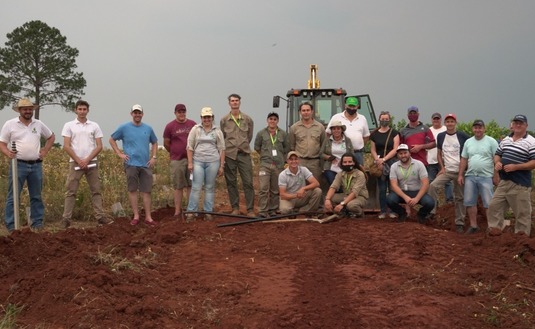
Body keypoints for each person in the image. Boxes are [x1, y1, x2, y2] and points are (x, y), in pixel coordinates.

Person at [0, 98, 55, 232]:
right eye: (25, 109)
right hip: (18, 164)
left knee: (36, 195)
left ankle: (37, 223)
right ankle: (11, 225)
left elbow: (51, 136)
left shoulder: (38, 124)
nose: (28, 111)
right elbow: (2, 143)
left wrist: (45, 150)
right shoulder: (10, 124)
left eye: (30, 109)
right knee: (13, 195)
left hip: (36, 165)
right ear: (19, 110)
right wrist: (8, 153)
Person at [61, 100, 112, 228]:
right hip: (75, 163)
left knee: (96, 190)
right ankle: (66, 219)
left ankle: (100, 217)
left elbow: (99, 146)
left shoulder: (94, 126)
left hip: (92, 162)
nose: (82, 111)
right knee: (71, 191)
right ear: (76, 110)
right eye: (80, 109)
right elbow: (66, 146)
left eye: (84, 109)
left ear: (88, 110)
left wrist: (88, 159)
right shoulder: (69, 125)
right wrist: (79, 160)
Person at [109, 104, 158, 226]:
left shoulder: (148, 128)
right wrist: (119, 153)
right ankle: (136, 216)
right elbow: (111, 139)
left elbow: (155, 142)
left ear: (142, 114)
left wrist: (154, 157)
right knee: (132, 189)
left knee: (146, 191)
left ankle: (148, 217)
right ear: (131, 114)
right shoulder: (124, 127)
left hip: (145, 164)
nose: (137, 115)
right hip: (130, 164)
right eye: (135, 113)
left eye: (139, 113)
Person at [487, 114, 535, 236]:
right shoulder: (506, 140)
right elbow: (498, 154)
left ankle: (521, 241)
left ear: (526, 126)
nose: (518, 125)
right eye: (516, 123)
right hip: (504, 182)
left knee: (522, 213)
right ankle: (494, 234)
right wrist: (497, 163)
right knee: (494, 207)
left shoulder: (531, 141)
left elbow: (533, 162)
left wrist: (516, 167)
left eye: (521, 123)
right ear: (512, 125)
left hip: (520, 184)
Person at [428, 113, 469, 233]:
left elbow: (468, 151)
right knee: (433, 186)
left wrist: (463, 171)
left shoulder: (462, 136)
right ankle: (432, 212)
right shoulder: (441, 136)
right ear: (445, 123)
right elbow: (439, 153)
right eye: (448, 122)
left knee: (459, 197)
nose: (450, 124)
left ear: (455, 123)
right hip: (447, 170)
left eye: (452, 121)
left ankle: (460, 223)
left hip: (460, 172)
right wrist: (442, 167)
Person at [457, 120, 499, 234]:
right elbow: (464, 159)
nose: (478, 130)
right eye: (475, 128)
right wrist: (460, 174)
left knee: (488, 203)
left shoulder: (491, 142)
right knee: (470, 202)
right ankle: (473, 225)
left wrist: (496, 174)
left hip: (486, 176)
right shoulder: (468, 142)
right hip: (470, 176)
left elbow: (497, 159)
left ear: (484, 129)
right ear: (472, 129)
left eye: (480, 128)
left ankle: (491, 226)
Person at [185, 107, 226, 222]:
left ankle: (208, 212)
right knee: (196, 186)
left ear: (212, 117)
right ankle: (191, 212)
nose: (207, 119)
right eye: (204, 117)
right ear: (201, 118)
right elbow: (189, 146)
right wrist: (190, 163)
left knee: (209, 187)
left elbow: (222, 149)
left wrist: (222, 165)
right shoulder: (195, 129)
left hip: (213, 161)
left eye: (209, 117)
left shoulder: (217, 131)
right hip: (198, 160)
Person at [220, 94, 255, 217]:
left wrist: (242, 146)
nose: (234, 103)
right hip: (230, 155)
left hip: (244, 154)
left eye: (236, 101)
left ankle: (250, 210)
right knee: (231, 182)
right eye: (232, 101)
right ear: (229, 103)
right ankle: (235, 208)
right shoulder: (224, 120)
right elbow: (222, 137)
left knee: (248, 182)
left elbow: (249, 136)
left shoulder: (247, 119)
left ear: (240, 102)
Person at [387, 144, 435, 223]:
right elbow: (394, 185)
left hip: (417, 191)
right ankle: (402, 213)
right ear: (397, 155)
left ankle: (421, 214)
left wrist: (417, 198)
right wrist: (405, 197)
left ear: (410, 153)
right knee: (390, 199)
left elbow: (425, 183)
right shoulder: (394, 166)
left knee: (430, 203)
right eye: (400, 153)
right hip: (401, 192)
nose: (403, 155)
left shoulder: (419, 164)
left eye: (405, 153)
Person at [163, 103, 196, 217]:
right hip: (177, 160)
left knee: (191, 185)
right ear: (175, 113)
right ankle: (177, 210)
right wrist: (174, 151)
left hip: (191, 159)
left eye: (183, 112)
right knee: (178, 185)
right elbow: (166, 143)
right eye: (179, 112)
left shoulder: (193, 124)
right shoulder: (170, 126)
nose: (181, 114)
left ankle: (191, 209)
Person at [253, 112, 289, 218]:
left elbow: (287, 148)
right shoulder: (261, 133)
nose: (272, 121)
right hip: (265, 164)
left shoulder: (283, 134)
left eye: (274, 119)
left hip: (278, 166)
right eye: (270, 119)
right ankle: (263, 211)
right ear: (267, 120)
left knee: (275, 189)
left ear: (277, 121)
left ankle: (273, 210)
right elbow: (257, 147)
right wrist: (265, 155)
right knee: (263, 188)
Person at [370, 111, 400, 219]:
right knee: (382, 188)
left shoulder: (394, 132)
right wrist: (378, 160)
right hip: (379, 164)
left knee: (392, 187)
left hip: (392, 162)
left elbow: (395, 148)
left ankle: (392, 210)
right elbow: (372, 149)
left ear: (389, 120)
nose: (384, 121)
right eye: (382, 118)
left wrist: (384, 159)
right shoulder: (374, 134)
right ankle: (383, 211)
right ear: (379, 119)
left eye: (386, 119)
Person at [289, 102, 326, 185]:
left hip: (315, 163)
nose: (306, 112)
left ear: (312, 111)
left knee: (315, 186)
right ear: (300, 112)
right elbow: (292, 146)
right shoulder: (294, 128)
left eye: (308, 110)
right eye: (303, 110)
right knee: (299, 186)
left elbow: (323, 144)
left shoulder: (320, 127)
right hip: (300, 161)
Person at [326, 96, 370, 166]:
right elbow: (328, 134)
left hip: (357, 153)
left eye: (354, 106)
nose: (352, 108)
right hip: (341, 153)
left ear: (357, 106)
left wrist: (358, 145)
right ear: (345, 105)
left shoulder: (362, 118)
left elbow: (366, 136)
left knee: (358, 174)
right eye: (350, 106)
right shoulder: (336, 117)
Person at [324, 153, 368, 217]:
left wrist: (342, 204)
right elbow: (333, 187)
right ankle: (344, 212)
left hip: (359, 197)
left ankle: (359, 214)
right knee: (330, 198)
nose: (347, 164)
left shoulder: (360, 174)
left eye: (350, 162)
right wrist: (327, 199)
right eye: (345, 162)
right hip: (346, 195)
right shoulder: (340, 174)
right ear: (342, 163)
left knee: (351, 205)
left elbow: (354, 192)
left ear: (354, 163)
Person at [427, 112, 453, 203]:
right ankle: (433, 201)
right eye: (434, 119)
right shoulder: (428, 130)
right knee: (431, 181)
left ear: (441, 120)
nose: (436, 120)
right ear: (431, 120)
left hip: (444, 160)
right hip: (431, 160)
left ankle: (449, 200)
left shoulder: (445, 129)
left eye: (438, 119)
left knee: (447, 181)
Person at [320, 119, 353, 187]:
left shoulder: (347, 140)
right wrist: (329, 157)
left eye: (338, 128)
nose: (336, 131)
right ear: (331, 130)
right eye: (334, 129)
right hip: (330, 167)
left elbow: (352, 154)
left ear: (341, 130)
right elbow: (320, 153)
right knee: (334, 185)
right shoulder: (327, 141)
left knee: (346, 186)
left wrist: (345, 161)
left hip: (345, 167)